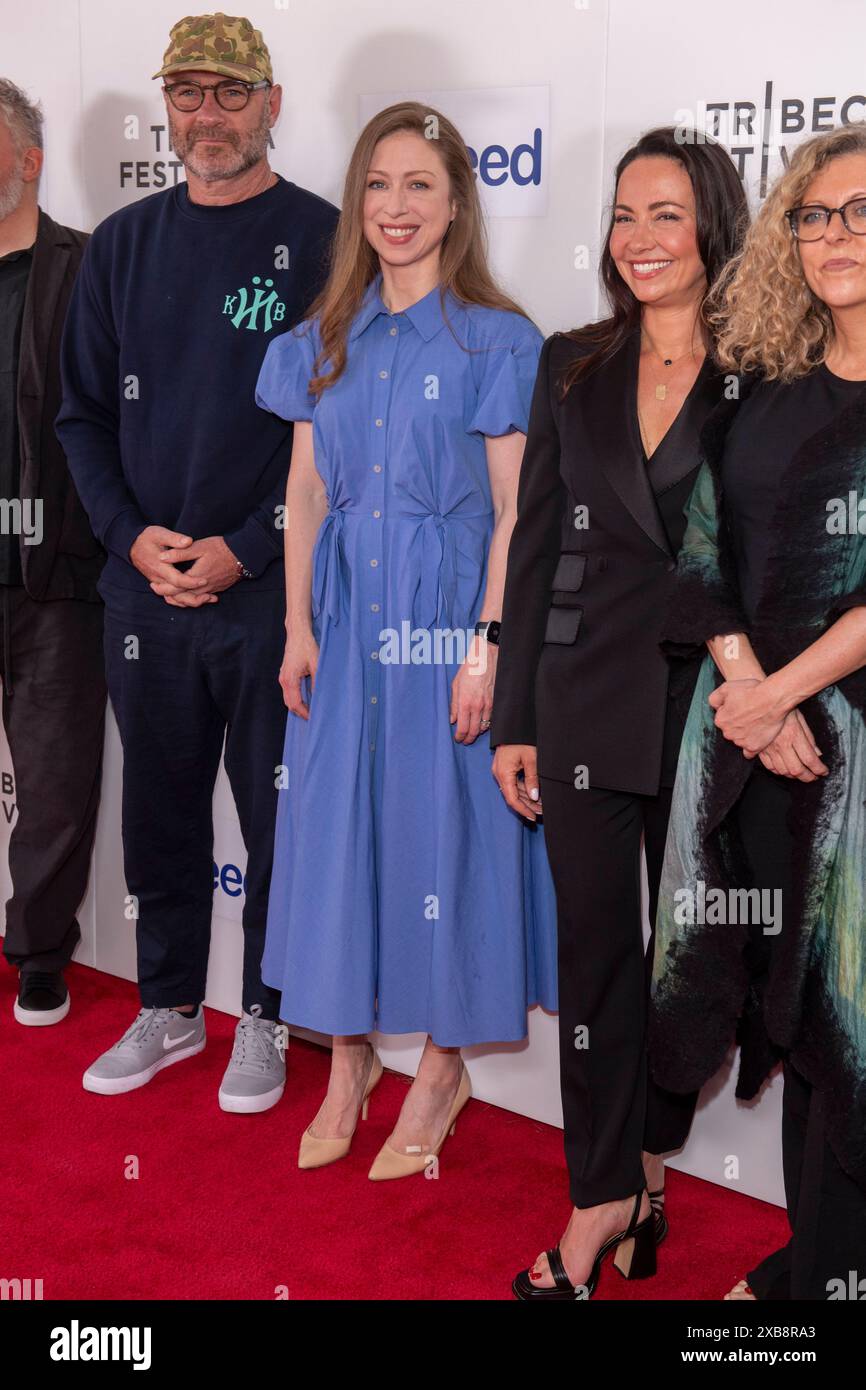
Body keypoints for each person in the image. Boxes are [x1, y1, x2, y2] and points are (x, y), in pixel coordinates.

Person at [255, 100, 557, 1177]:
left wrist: (485, 644)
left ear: (455, 203)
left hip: (444, 624)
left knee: (449, 838)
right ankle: (345, 1057)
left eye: (418, 185)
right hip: (342, 621)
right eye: (377, 185)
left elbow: (517, 511)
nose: (395, 207)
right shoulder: (319, 338)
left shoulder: (497, 339)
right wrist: (294, 625)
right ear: (356, 200)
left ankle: (439, 1064)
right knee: (339, 838)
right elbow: (303, 489)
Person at [55, 13, 338, 1111]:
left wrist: (249, 545)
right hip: (143, 590)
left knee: (275, 817)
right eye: (187, 94)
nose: (206, 114)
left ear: (270, 104)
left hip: (270, 593)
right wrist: (134, 539)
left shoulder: (322, 239)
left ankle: (263, 1015)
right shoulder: (121, 242)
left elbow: (338, 429)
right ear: (165, 108)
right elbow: (81, 416)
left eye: (229, 93)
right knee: (159, 811)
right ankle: (170, 1006)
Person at [490, 128, 749, 1299]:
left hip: (710, 713)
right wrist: (514, 717)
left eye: (665, 214)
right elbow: (535, 547)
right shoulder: (569, 363)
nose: (638, 239)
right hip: (585, 702)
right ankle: (598, 1196)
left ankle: (646, 1167)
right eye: (622, 215)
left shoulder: (763, 370)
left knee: (687, 967)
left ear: (710, 228)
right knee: (593, 959)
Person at [649, 123, 866, 1301]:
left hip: (844, 753)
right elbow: (698, 550)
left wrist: (778, 688)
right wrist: (744, 687)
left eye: (859, 212)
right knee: (801, 1016)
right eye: (814, 215)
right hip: (762, 759)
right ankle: (815, 1269)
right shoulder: (762, 387)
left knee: (857, 1007)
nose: (833, 235)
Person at [0, 79, 106, 1027]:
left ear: (30, 159)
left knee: (57, 782)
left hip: (55, 577)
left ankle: (37, 951)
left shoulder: (84, 267)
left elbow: (112, 419)